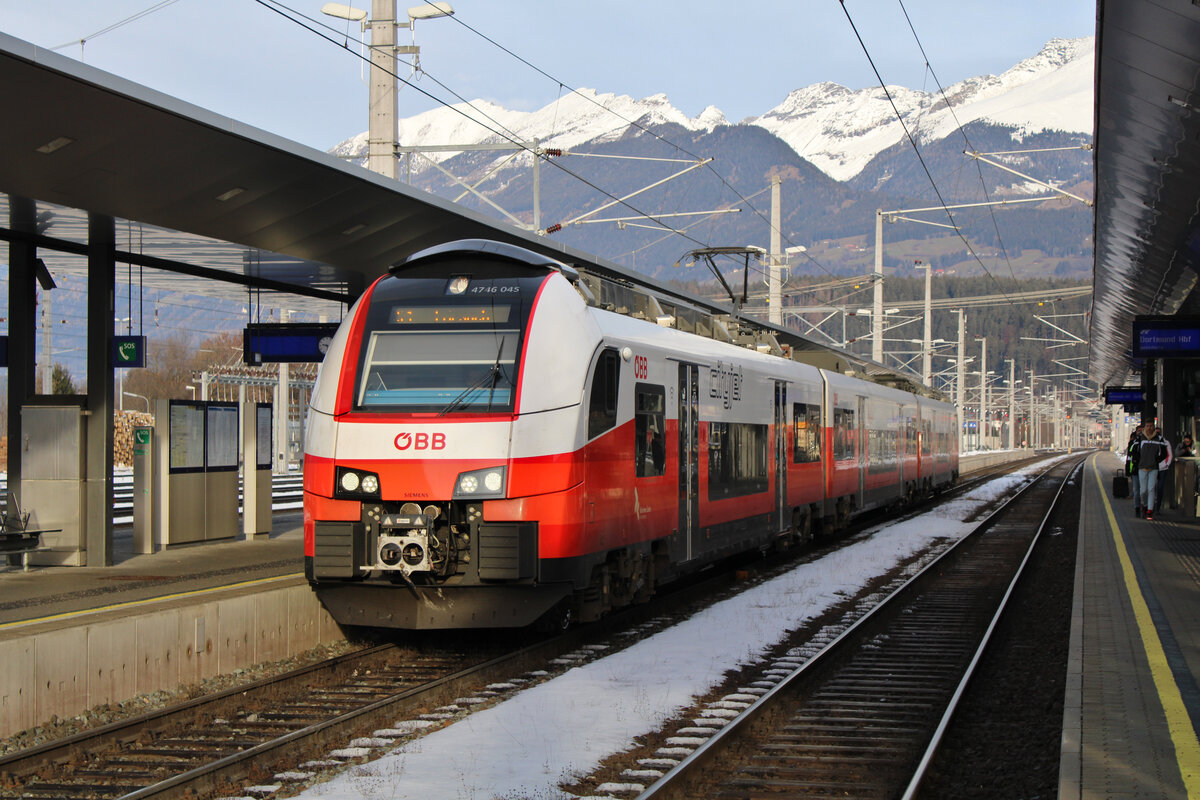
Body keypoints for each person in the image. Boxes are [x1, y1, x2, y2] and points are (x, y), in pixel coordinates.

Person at [1135, 424, 1171, 520]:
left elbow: (1164, 453)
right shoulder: (1140, 439)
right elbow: (1135, 451)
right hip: (1142, 468)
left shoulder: (1159, 439)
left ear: (1153, 428)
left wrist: (1156, 461)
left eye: (1151, 426)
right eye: (1147, 426)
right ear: (1145, 427)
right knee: (1143, 490)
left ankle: (1150, 511)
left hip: (1153, 468)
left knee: (1151, 489)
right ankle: (1145, 505)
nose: (1149, 428)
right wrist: (1139, 461)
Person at [1127, 423, 1146, 514]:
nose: (1141, 433)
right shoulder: (1133, 443)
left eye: (1142, 431)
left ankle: (1144, 506)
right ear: (1136, 432)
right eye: (1139, 431)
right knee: (1136, 490)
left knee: (1144, 490)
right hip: (1135, 470)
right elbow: (1129, 457)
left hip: (1145, 469)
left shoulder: (1147, 442)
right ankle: (1137, 508)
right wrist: (1128, 469)